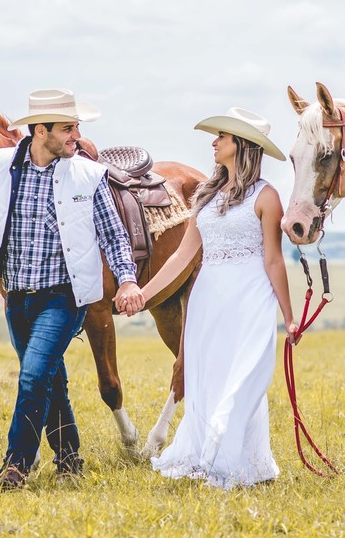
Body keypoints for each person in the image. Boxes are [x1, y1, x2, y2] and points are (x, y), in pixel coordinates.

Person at [0, 88, 143, 490]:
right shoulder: (3, 164)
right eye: (67, 128)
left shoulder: (88, 175)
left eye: (76, 127)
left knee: (33, 377)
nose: (76, 136)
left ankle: (16, 466)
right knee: (51, 380)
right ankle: (69, 458)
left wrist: (127, 278)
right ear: (40, 131)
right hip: (17, 299)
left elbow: (114, 235)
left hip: (63, 298)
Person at [121, 107, 298, 489]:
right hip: (208, 298)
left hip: (250, 295)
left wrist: (290, 315)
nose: (214, 143)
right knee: (208, 376)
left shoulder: (267, 197)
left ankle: (227, 456)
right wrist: (143, 295)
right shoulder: (205, 195)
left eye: (222, 137)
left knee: (244, 376)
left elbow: (274, 259)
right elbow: (182, 256)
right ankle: (217, 454)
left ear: (242, 146)